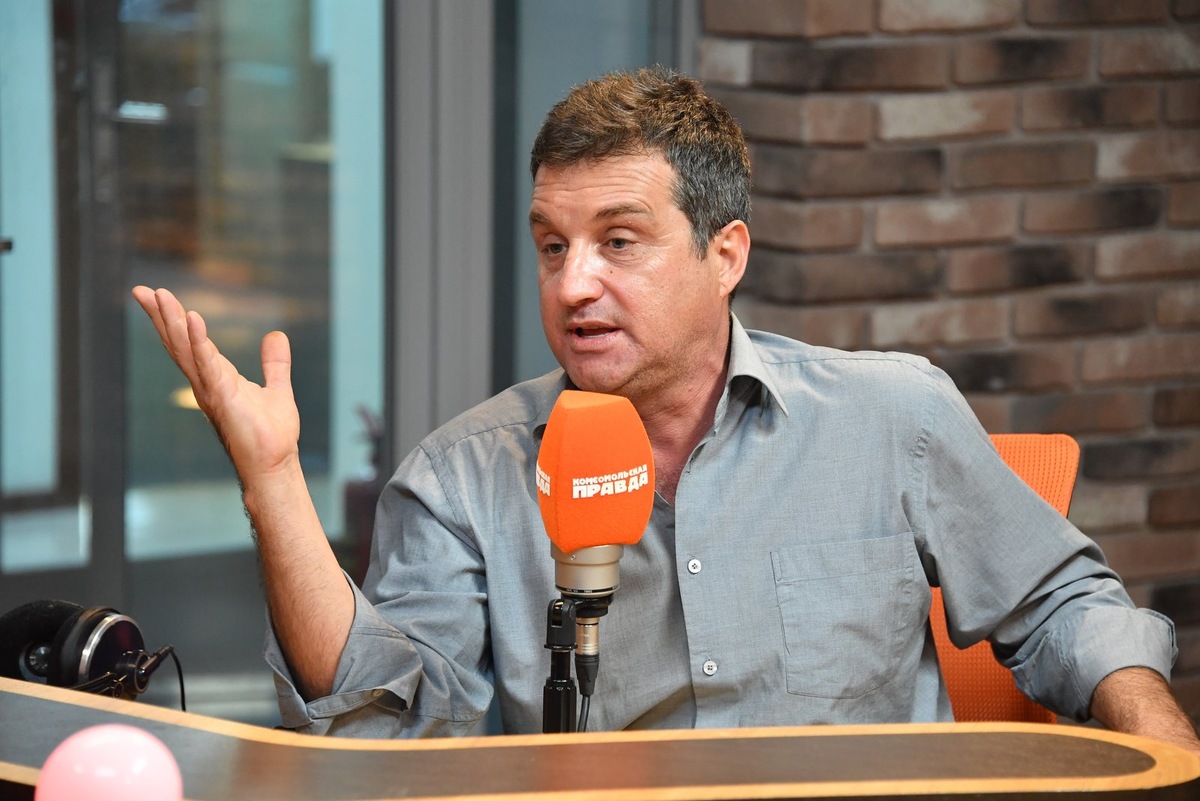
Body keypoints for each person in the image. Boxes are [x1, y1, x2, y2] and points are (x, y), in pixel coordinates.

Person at [132, 66, 1200, 753]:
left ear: (724, 254)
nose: (573, 284)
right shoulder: (464, 477)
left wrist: (1164, 747)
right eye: (553, 245)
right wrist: (273, 487)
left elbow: (1063, 607)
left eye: (619, 241)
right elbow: (384, 733)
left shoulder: (892, 418)